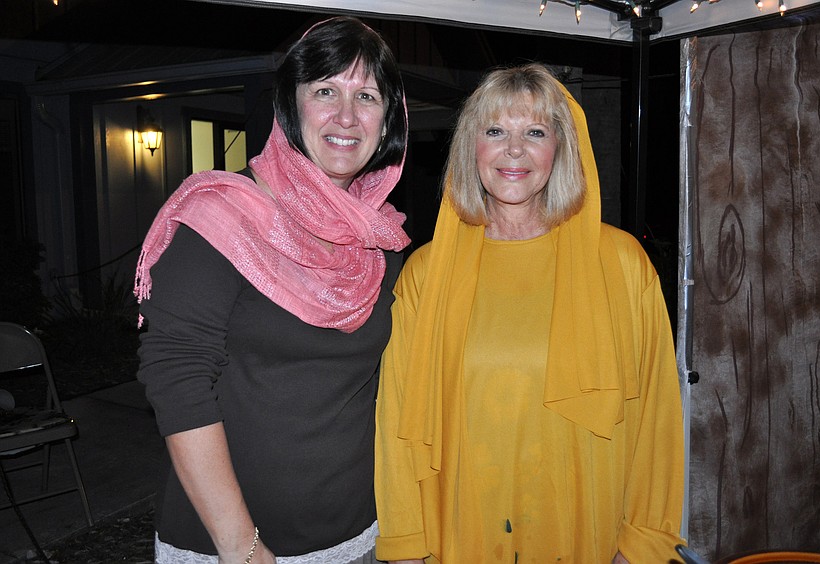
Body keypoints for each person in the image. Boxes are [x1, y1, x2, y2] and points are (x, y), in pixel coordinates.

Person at [374, 63, 685, 563]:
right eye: (495, 131)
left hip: (590, 541)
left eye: (535, 132)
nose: (514, 149)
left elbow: (658, 420)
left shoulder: (622, 263)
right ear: (471, 148)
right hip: (461, 541)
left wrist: (642, 545)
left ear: (561, 148)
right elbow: (396, 426)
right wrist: (407, 547)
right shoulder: (427, 273)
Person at [134, 16, 410, 564]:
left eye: (367, 96)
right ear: (290, 106)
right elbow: (177, 379)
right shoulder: (220, 218)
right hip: (233, 547)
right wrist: (240, 543)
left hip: (359, 537)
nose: (347, 116)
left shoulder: (381, 241)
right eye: (325, 91)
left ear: (388, 123)